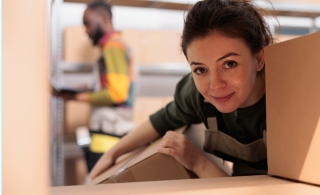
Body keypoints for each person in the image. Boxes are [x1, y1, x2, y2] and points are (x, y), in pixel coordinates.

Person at [89, 0, 273, 179]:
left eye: (229, 64)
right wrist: (112, 154)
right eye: (200, 69)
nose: (215, 85)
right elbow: (162, 120)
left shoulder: (287, 99)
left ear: (258, 59)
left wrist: (199, 163)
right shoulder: (195, 93)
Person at [59, 1, 136, 172]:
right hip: (112, 133)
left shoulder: (113, 47)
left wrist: (77, 97)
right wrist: (89, 89)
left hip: (109, 135)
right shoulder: (113, 46)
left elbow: (117, 94)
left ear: (104, 19)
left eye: (88, 23)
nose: (85, 30)